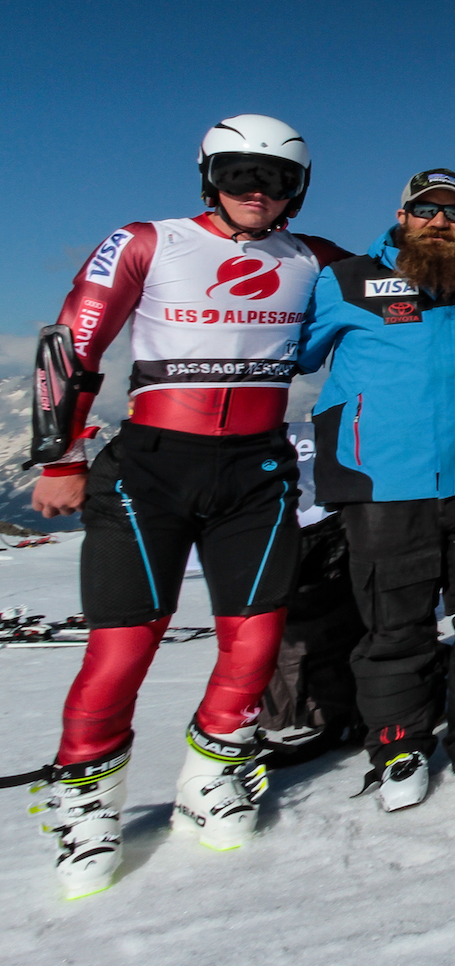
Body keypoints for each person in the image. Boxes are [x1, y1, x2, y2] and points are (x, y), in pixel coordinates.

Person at [20, 116, 344, 897]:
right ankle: (88, 804)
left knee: (255, 640)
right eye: (239, 174)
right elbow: (72, 342)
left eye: (275, 179)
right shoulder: (145, 240)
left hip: (256, 470)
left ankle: (213, 778)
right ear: (209, 177)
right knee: (124, 647)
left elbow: (403, 282)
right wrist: (62, 457)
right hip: (153, 468)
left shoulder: (315, 258)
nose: (257, 192)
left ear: (298, 189)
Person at [297, 168, 455, 810]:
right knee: (395, 623)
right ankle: (399, 744)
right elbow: (296, 352)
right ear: (402, 216)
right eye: (426, 209)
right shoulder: (347, 281)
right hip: (382, 484)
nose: (440, 221)